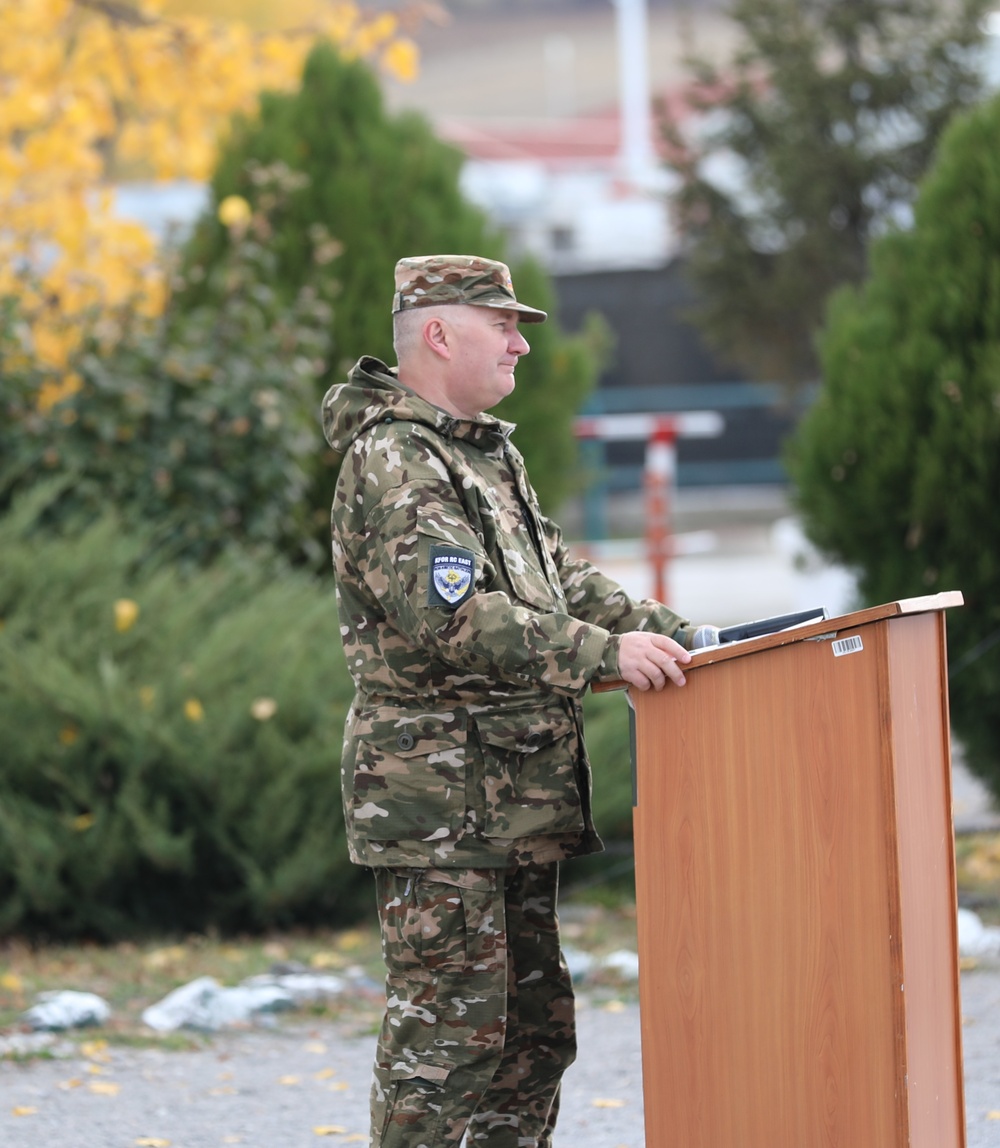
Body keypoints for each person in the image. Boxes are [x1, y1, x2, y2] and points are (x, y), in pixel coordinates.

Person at [321, 254, 697, 1147]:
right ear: (440, 333)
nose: (523, 344)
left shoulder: (485, 454)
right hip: (442, 811)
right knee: (447, 1045)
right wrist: (609, 655)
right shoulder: (395, 459)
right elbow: (456, 619)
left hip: (511, 803)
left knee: (532, 1040)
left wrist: (682, 635)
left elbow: (558, 582)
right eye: (505, 324)